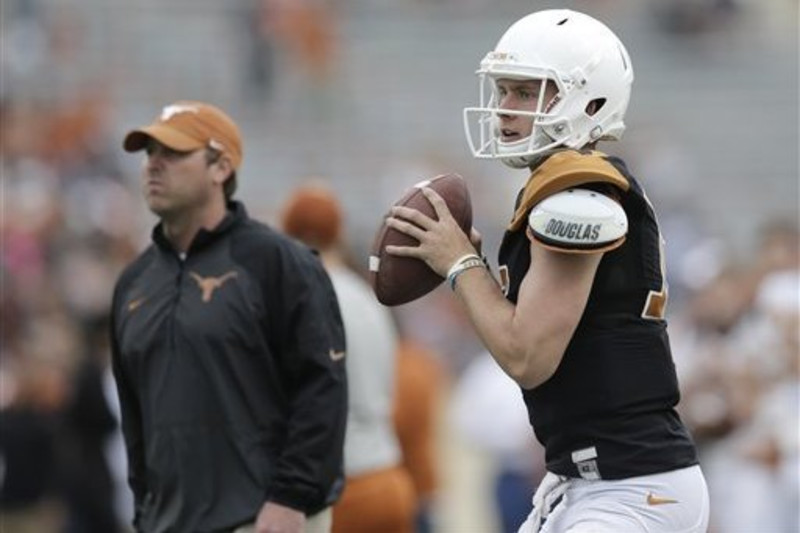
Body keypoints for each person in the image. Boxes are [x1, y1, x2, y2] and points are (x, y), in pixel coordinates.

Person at [384, 9, 709, 533]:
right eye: (504, 90)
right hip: (591, 480)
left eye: (526, 92)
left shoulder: (579, 196)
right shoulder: (564, 188)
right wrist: (471, 273)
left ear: (591, 100)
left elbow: (527, 356)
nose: (504, 109)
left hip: (630, 488)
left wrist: (461, 266)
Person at [110, 101, 348, 533]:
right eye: (149, 154)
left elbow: (321, 390)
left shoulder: (278, 263)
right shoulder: (134, 283)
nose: (153, 166)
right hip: (169, 522)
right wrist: (145, 510)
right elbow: (135, 415)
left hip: (262, 519)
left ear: (221, 167)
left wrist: (291, 498)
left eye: (174, 153)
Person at [280, 185, 416, 533]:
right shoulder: (367, 296)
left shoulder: (300, 298)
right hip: (388, 474)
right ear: (338, 233)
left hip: (341, 486)